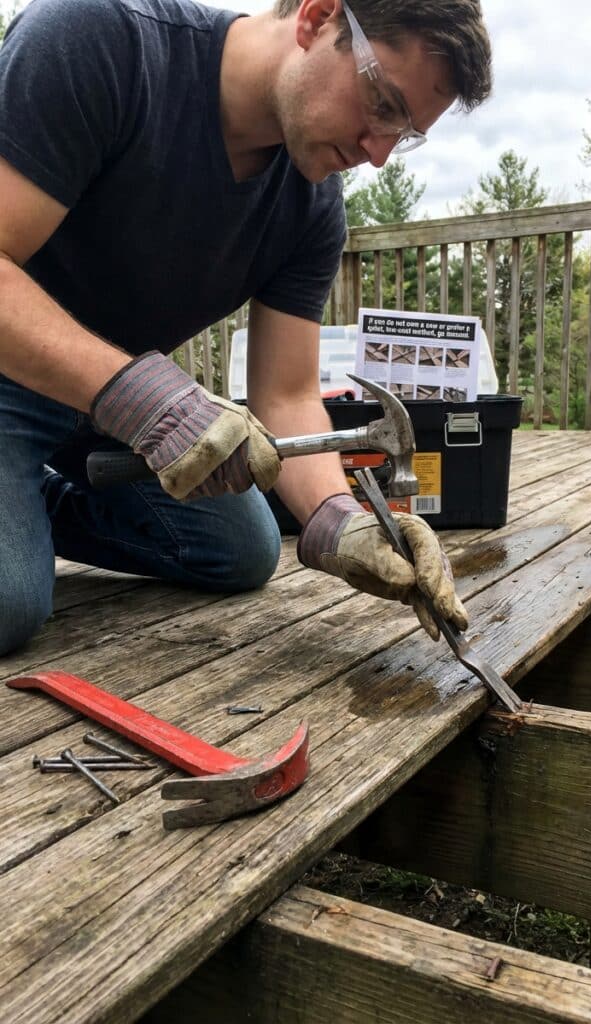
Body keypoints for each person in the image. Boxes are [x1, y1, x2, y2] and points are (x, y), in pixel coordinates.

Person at [0, 0, 492, 655]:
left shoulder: (311, 208)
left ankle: (29, 508)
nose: (378, 154)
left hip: (102, 410)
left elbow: (285, 396)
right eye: (382, 104)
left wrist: (339, 522)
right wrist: (144, 399)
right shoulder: (102, 41)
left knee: (239, 549)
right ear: (318, 18)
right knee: (10, 604)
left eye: (403, 133)